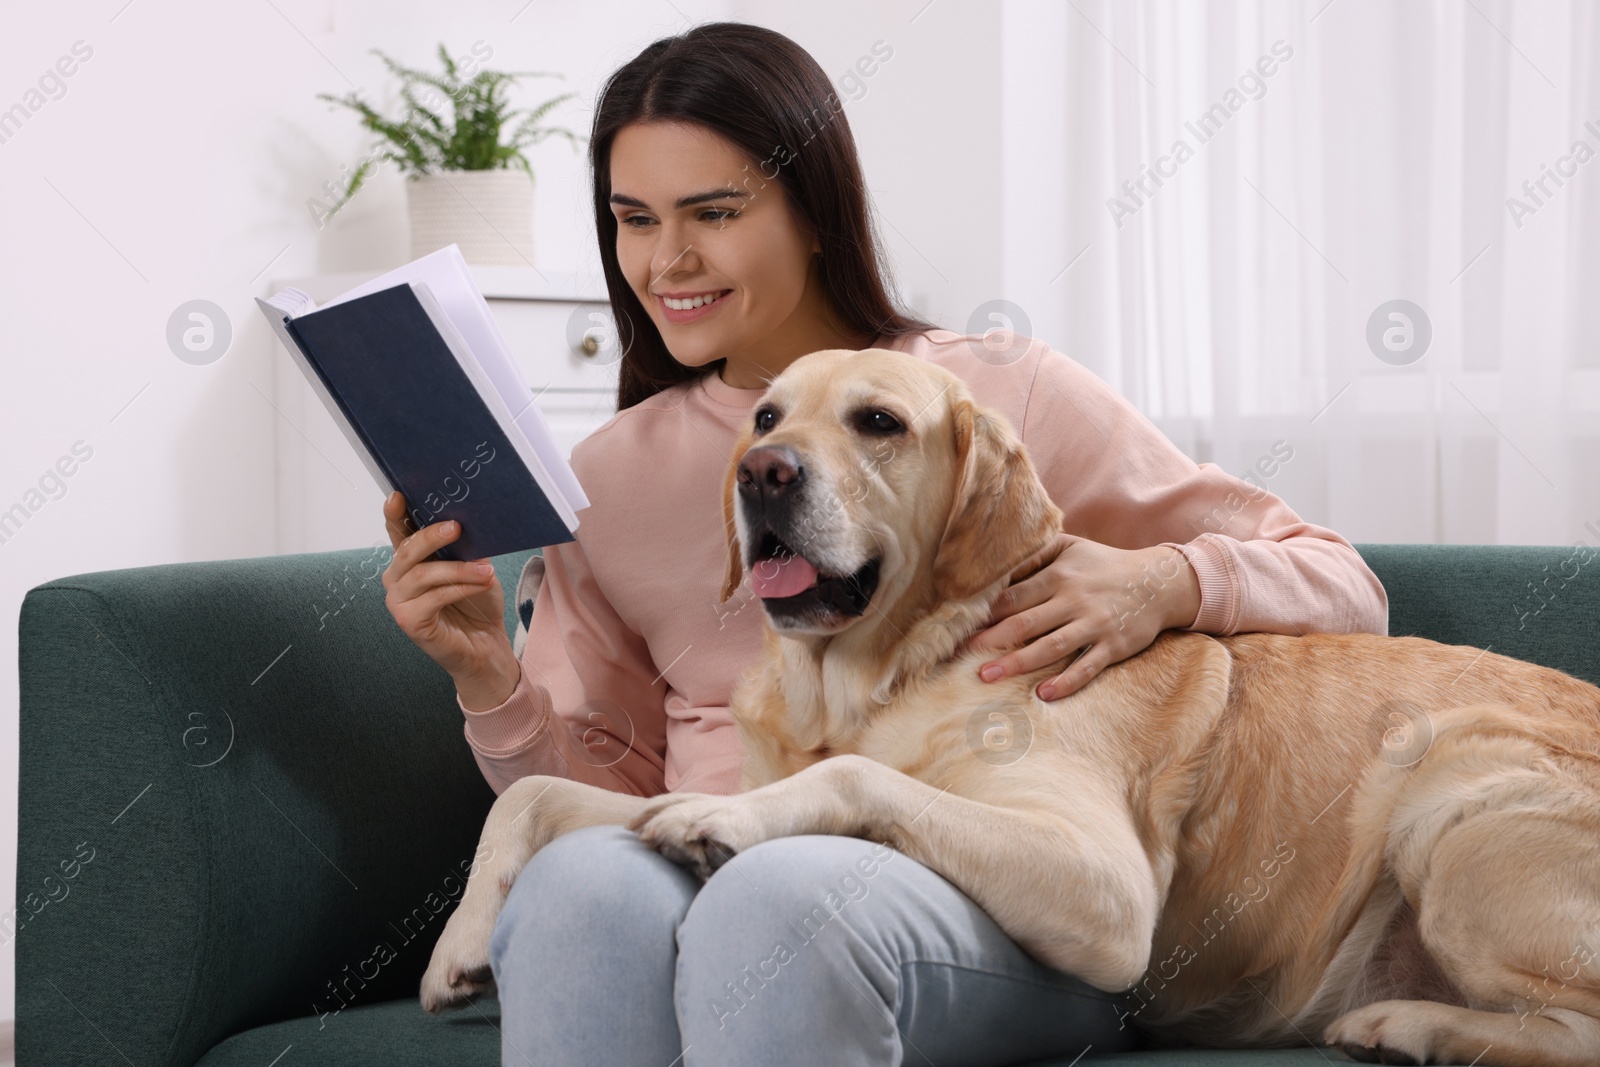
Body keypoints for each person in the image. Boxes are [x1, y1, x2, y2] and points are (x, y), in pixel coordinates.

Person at [379, 21, 1388, 1067]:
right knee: (576, 883)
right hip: (726, 840)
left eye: (712, 213)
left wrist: (1167, 581)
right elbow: (630, 792)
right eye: (633, 219)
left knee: (776, 900)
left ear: (814, 212)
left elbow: (1341, 582)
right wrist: (487, 677)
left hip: (984, 883)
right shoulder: (604, 480)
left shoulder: (996, 396)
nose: (665, 259)